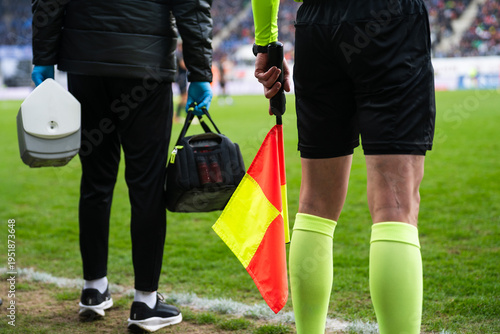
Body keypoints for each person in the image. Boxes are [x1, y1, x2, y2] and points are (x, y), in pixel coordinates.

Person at [252, 0, 435, 333]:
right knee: (395, 204)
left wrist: (264, 41)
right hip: (388, 19)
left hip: (316, 24)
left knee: (315, 204)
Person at [31, 0, 213, 332]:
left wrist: (43, 58)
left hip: (87, 66)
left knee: (95, 181)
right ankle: (145, 301)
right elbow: (192, 6)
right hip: (146, 66)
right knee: (147, 185)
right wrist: (200, 73)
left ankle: (93, 288)